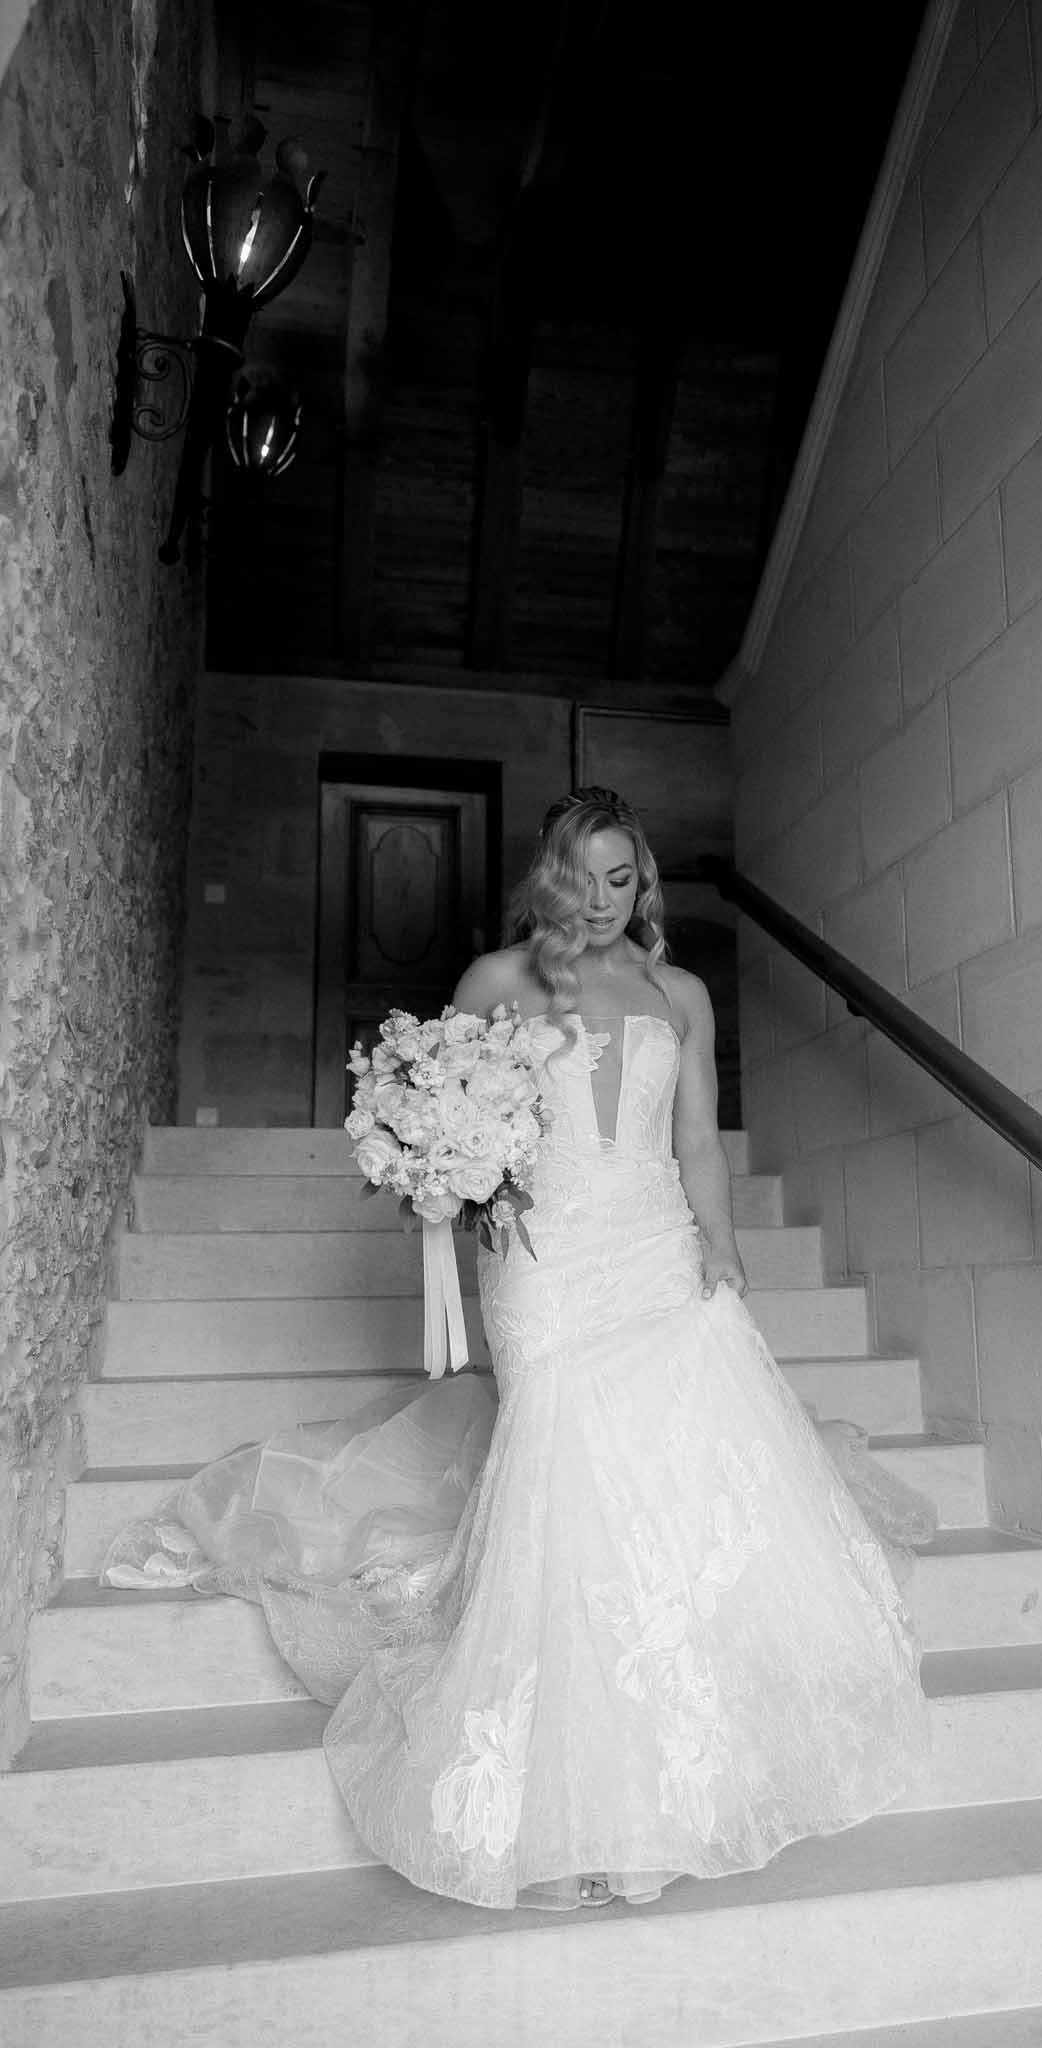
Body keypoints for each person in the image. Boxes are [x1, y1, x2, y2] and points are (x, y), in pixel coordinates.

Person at [105, 787, 932, 1911]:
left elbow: (695, 1139)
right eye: (579, 877)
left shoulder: (682, 994)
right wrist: (443, 1172)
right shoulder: (496, 982)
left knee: (666, 1476)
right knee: (563, 1470)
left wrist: (723, 1246)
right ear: (549, 877)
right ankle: (568, 1800)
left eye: (620, 878)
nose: (599, 900)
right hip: (544, 1259)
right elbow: (445, 1115)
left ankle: (683, 1752)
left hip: (654, 1245)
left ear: (644, 881)